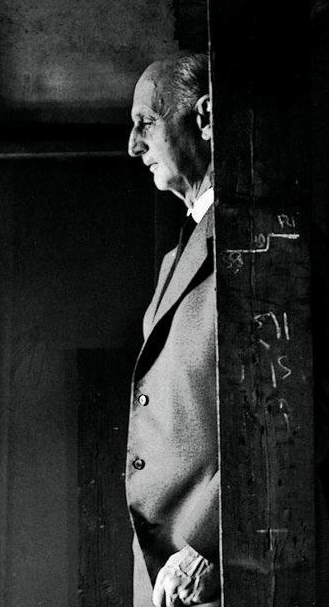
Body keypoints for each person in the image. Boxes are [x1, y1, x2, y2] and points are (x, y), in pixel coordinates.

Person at [125, 52, 221, 607]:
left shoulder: (260, 244)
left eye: (146, 122)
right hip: (170, 564)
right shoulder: (175, 259)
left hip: (221, 563)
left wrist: (208, 544)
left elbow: (301, 413)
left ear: (204, 118)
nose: (133, 146)